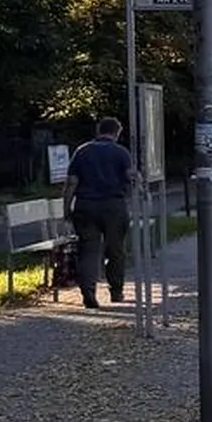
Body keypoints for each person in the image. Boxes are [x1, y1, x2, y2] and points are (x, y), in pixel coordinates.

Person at [63, 116, 134, 309]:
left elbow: (71, 182)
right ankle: (116, 291)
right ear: (117, 132)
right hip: (114, 206)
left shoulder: (82, 151)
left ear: (98, 130)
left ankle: (88, 292)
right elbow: (130, 178)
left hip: (86, 206)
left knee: (88, 250)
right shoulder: (121, 153)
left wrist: (67, 207)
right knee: (116, 249)